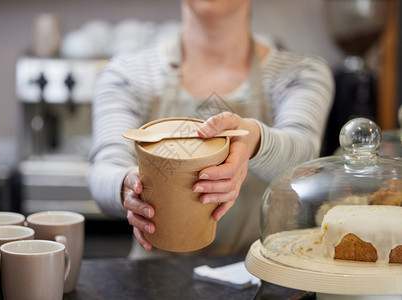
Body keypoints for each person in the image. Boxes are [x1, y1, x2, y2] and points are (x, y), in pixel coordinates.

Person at [88, 0, 334, 259]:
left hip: (260, 274)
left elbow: (303, 155)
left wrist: (252, 140)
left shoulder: (300, 72)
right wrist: (128, 188)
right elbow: (104, 170)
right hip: (155, 278)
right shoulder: (128, 73)